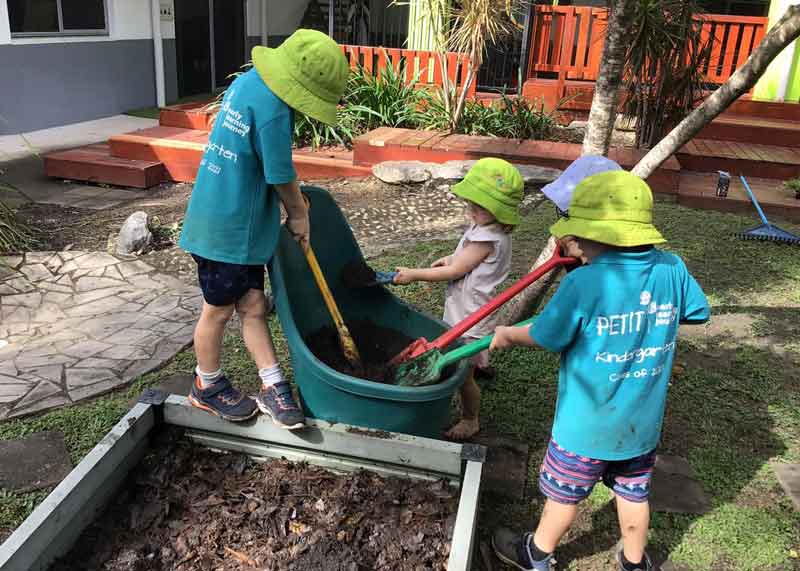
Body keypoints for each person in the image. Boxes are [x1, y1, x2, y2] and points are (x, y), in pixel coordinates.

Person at [489, 171, 710, 571]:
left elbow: (547, 335)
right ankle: (634, 561)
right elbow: (697, 311)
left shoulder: (585, 284)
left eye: (579, 238)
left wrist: (506, 334)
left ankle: (536, 553)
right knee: (633, 495)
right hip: (639, 427)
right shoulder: (672, 269)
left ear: (600, 236)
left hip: (583, 429)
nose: (577, 247)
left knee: (564, 497)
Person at [178, 29, 349, 427]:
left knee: (253, 305)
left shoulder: (248, 83)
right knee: (217, 311)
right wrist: (300, 213)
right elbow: (279, 174)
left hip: (233, 223)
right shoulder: (274, 109)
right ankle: (207, 385)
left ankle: (272, 385)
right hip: (227, 233)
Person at [393, 157, 524, 440]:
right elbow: (462, 260)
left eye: (480, 205)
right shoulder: (487, 228)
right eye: (471, 202)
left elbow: (459, 269)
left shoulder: (489, 238)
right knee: (469, 359)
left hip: (471, 315)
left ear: (499, 210)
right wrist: (451, 257)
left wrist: (415, 274)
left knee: (464, 378)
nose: (472, 209)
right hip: (470, 307)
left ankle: (470, 418)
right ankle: (481, 364)